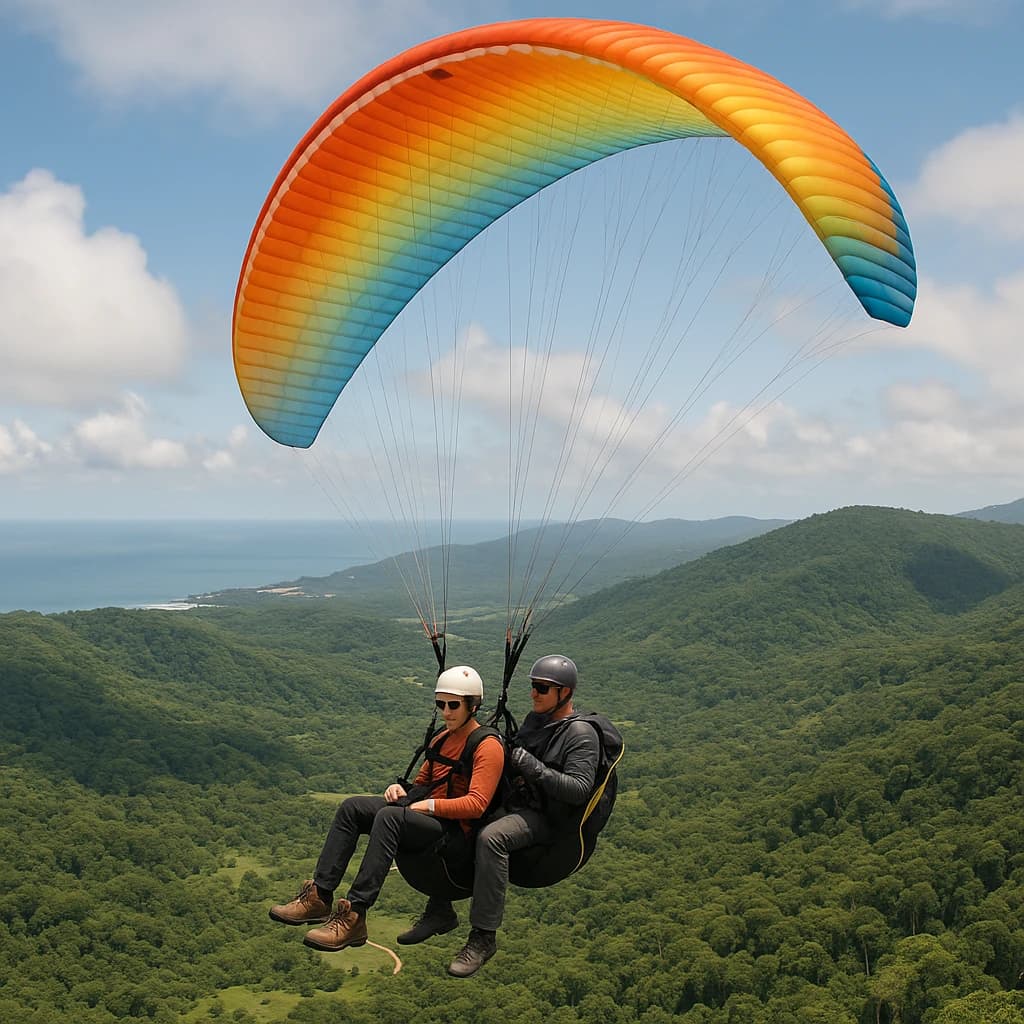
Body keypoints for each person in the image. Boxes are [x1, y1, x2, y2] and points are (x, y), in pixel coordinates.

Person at [268, 665, 505, 953]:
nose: (445, 711)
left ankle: (356, 913)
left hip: (455, 833)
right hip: (426, 814)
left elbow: (477, 804)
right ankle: (319, 896)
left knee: (390, 818)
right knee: (352, 808)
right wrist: (402, 792)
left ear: (473, 705)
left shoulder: (487, 745)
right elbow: (423, 781)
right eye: (440, 704)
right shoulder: (442, 738)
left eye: (453, 705)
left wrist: (428, 806)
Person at [413, 654, 601, 978]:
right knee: (457, 814)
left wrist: (531, 765)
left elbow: (579, 788)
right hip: (519, 802)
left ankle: (484, 937)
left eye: (543, 688)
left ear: (565, 693)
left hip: (547, 817)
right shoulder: (535, 722)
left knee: (492, 837)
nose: (534, 693)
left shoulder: (581, 735)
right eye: (533, 686)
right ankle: (440, 905)